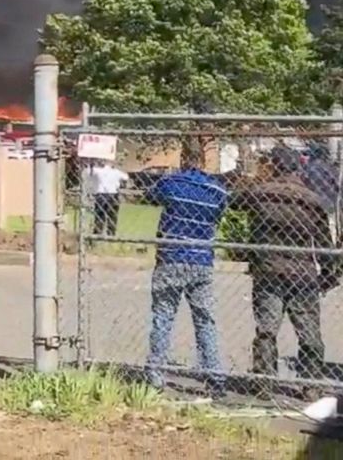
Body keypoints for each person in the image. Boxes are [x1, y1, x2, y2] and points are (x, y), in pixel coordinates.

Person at [231, 148, 339, 381]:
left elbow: (234, 201)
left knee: (267, 329)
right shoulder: (311, 200)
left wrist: (254, 178)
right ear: (298, 169)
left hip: (269, 268)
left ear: (275, 166)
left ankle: (265, 380)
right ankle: (311, 382)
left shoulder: (261, 193)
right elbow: (323, 243)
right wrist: (330, 272)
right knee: (309, 330)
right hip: (302, 272)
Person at [144, 146, 228, 396]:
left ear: (182, 160)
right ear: (204, 161)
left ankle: (156, 374)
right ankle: (215, 377)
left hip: (171, 256)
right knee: (205, 320)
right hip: (201, 259)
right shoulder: (216, 190)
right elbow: (219, 214)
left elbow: (150, 196)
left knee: (163, 317)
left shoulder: (171, 182)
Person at [83, 159, 129, 237]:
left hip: (101, 194)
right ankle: (111, 233)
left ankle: (97, 232)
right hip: (113, 195)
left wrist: (91, 165)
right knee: (112, 215)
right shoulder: (116, 172)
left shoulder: (98, 171)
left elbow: (88, 172)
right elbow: (126, 177)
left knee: (99, 215)